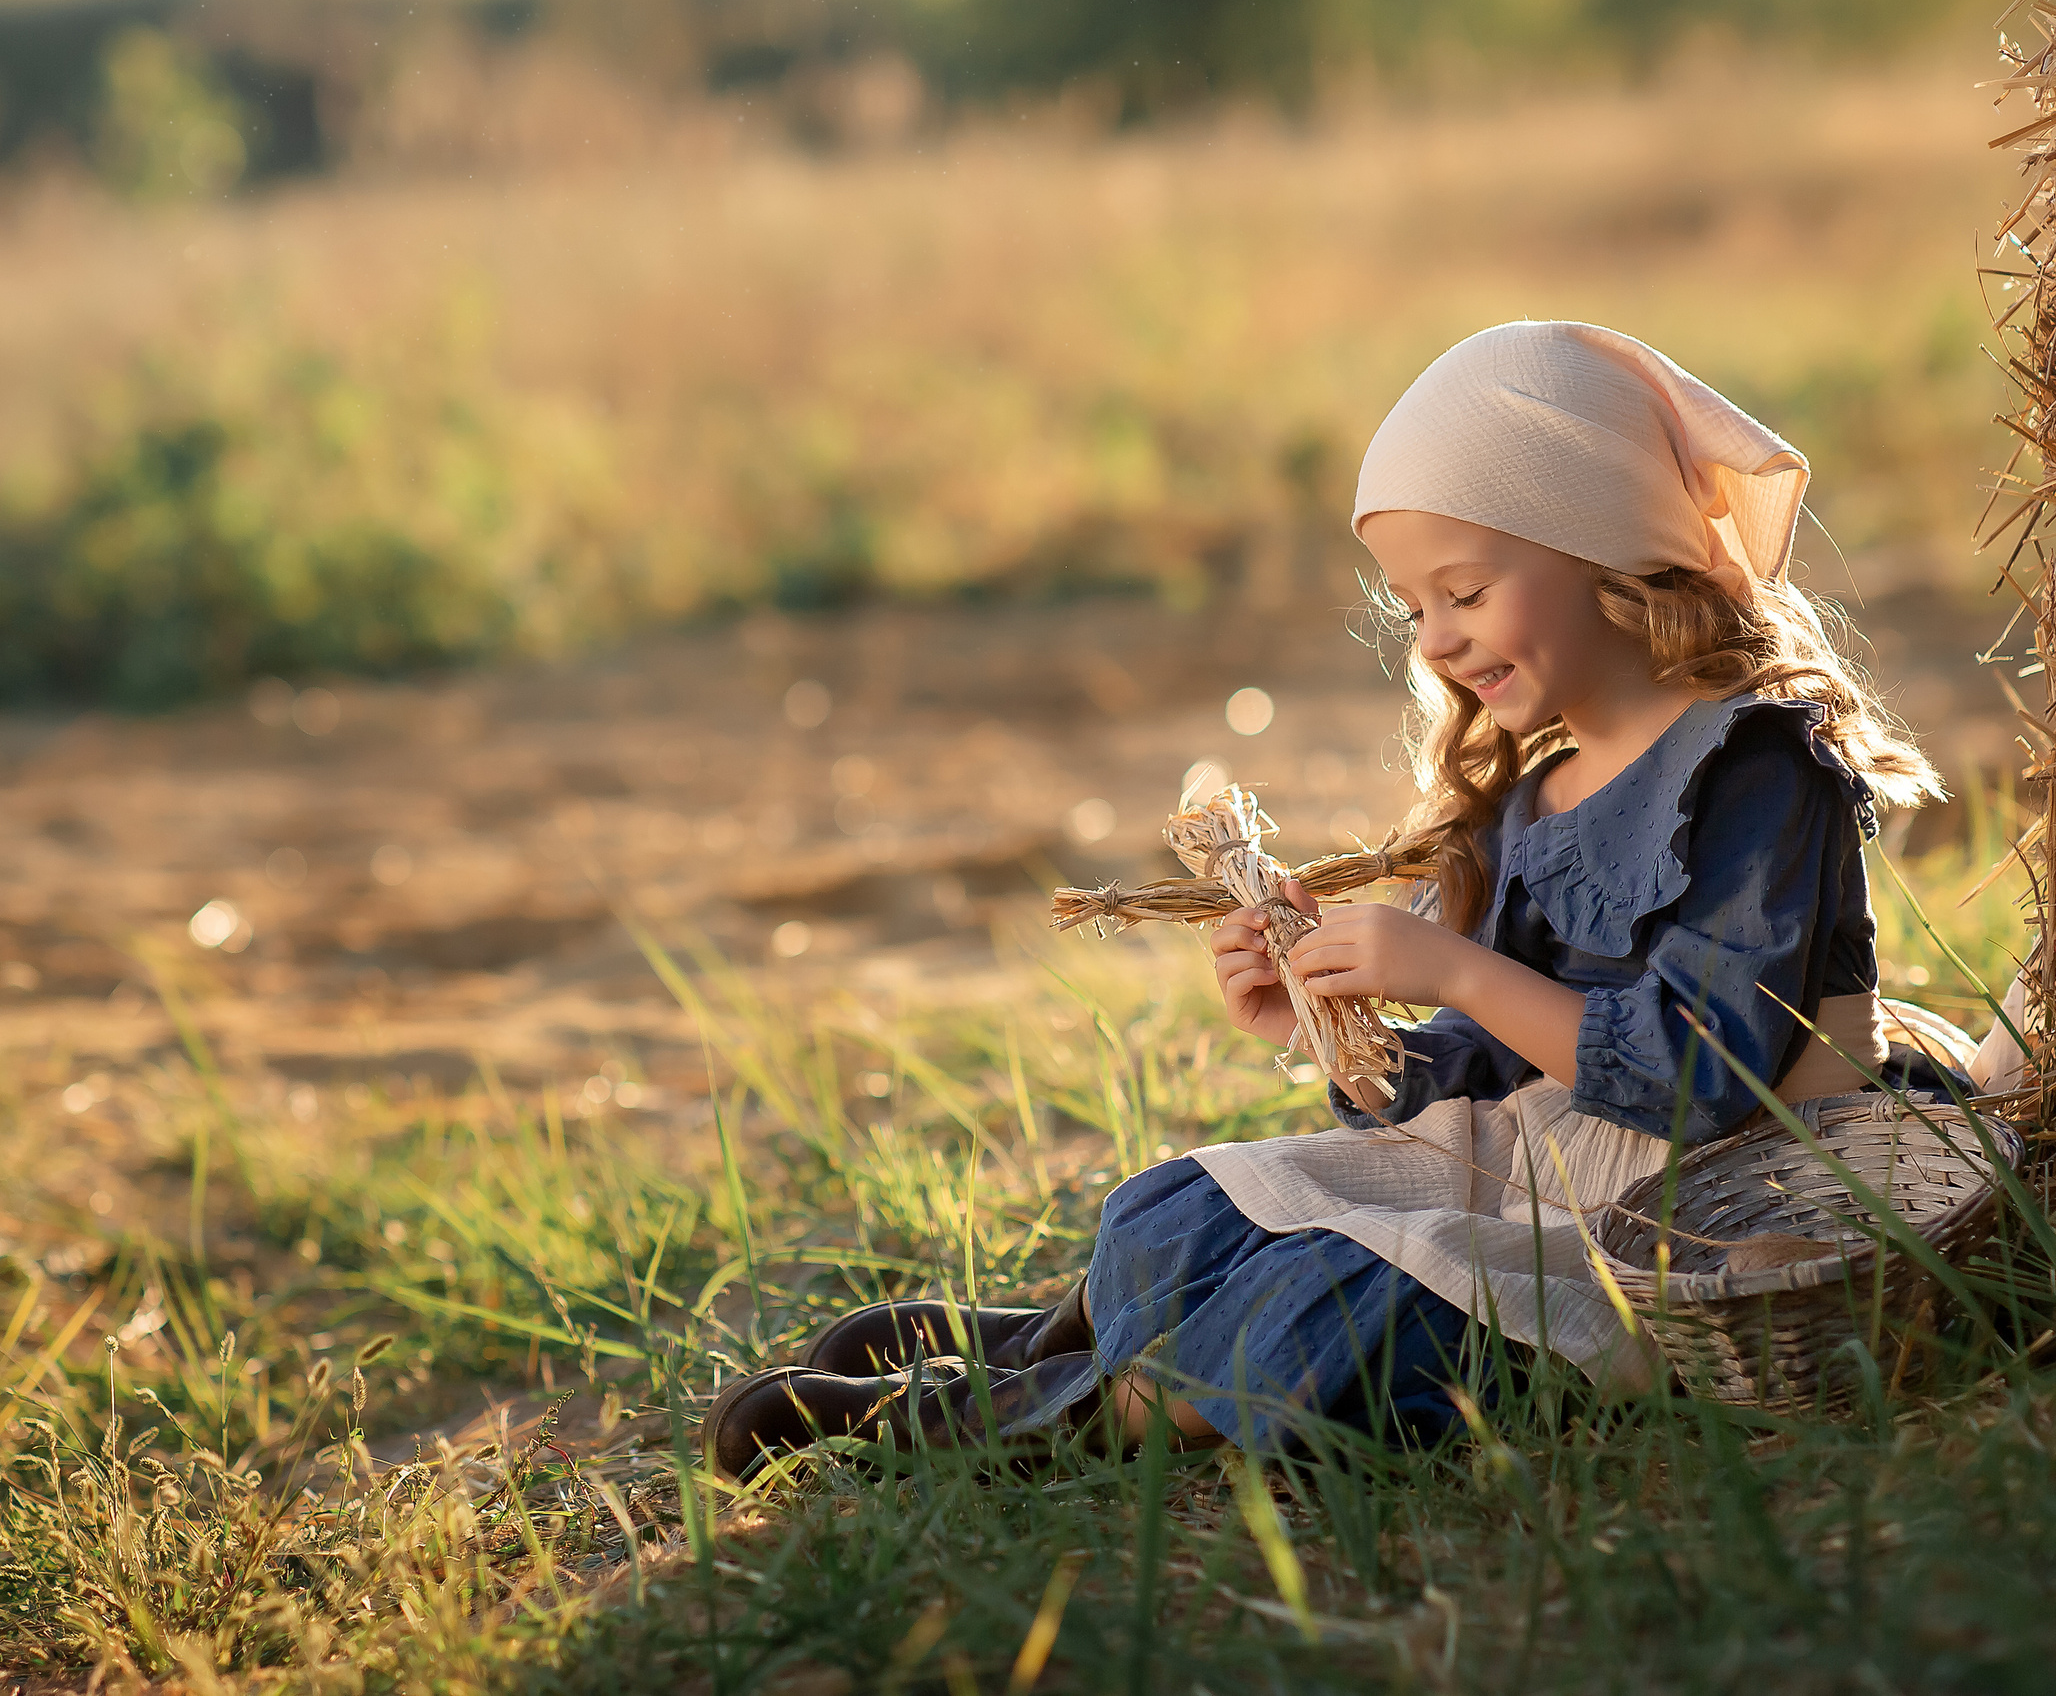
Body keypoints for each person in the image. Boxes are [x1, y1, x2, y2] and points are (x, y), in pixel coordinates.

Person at [704, 320, 1948, 1479]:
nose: (1438, 641)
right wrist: (1339, 1030)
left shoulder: (1756, 765)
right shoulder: (1543, 788)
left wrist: (1454, 968)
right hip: (1550, 1153)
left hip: (1716, 1199)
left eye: (1465, 591)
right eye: (1415, 608)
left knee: (1354, 1303)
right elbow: (1488, 1064)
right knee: (1179, 1204)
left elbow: (1703, 1077)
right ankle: (1049, 1334)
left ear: (1601, 541)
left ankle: (1048, 1415)